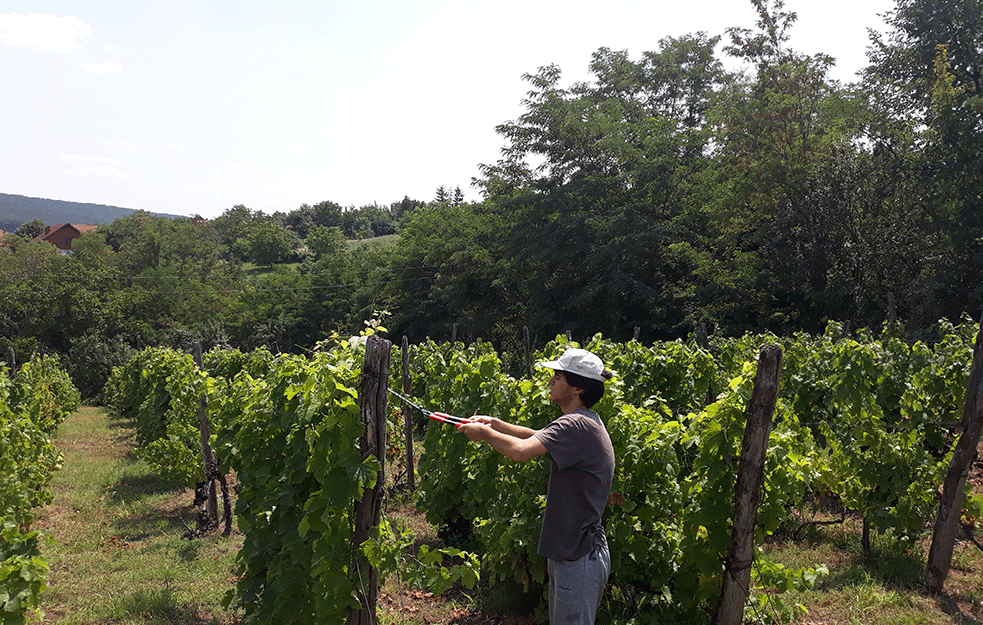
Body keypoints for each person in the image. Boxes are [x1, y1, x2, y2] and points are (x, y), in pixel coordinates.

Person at [457, 347, 615, 625]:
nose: (551, 381)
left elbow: (520, 451)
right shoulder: (583, 422)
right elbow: (537, 436)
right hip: (576, 552)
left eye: (558, 376)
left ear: (577, 387)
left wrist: (484, 433)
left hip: (578, 556)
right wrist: (494, 423)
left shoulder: (575, 425)